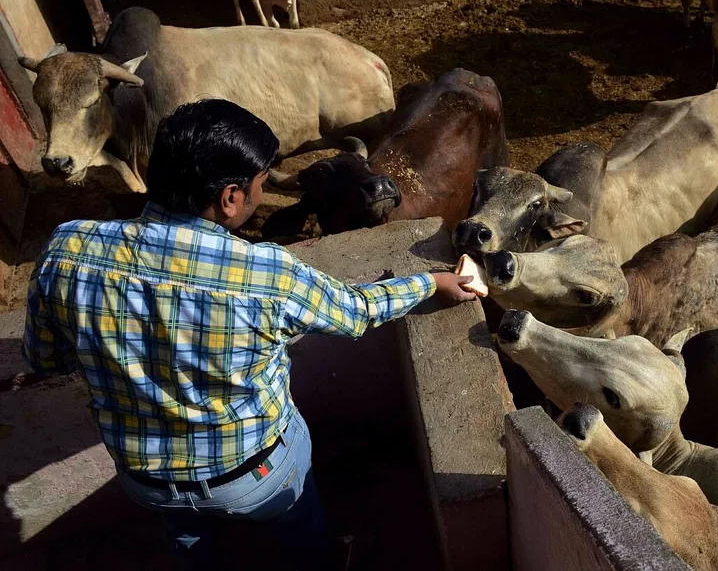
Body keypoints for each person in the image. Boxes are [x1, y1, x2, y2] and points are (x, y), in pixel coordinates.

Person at [21, 98, 476, 570]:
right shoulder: (267, 273)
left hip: (147, 482)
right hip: (254, 475)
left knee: (189, 545)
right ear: (231, 198)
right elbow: (354, 312)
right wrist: (430, 281)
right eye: (260, 186)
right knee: (300, 537)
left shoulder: (67, 249)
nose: (260, 197)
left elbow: (45, 360)